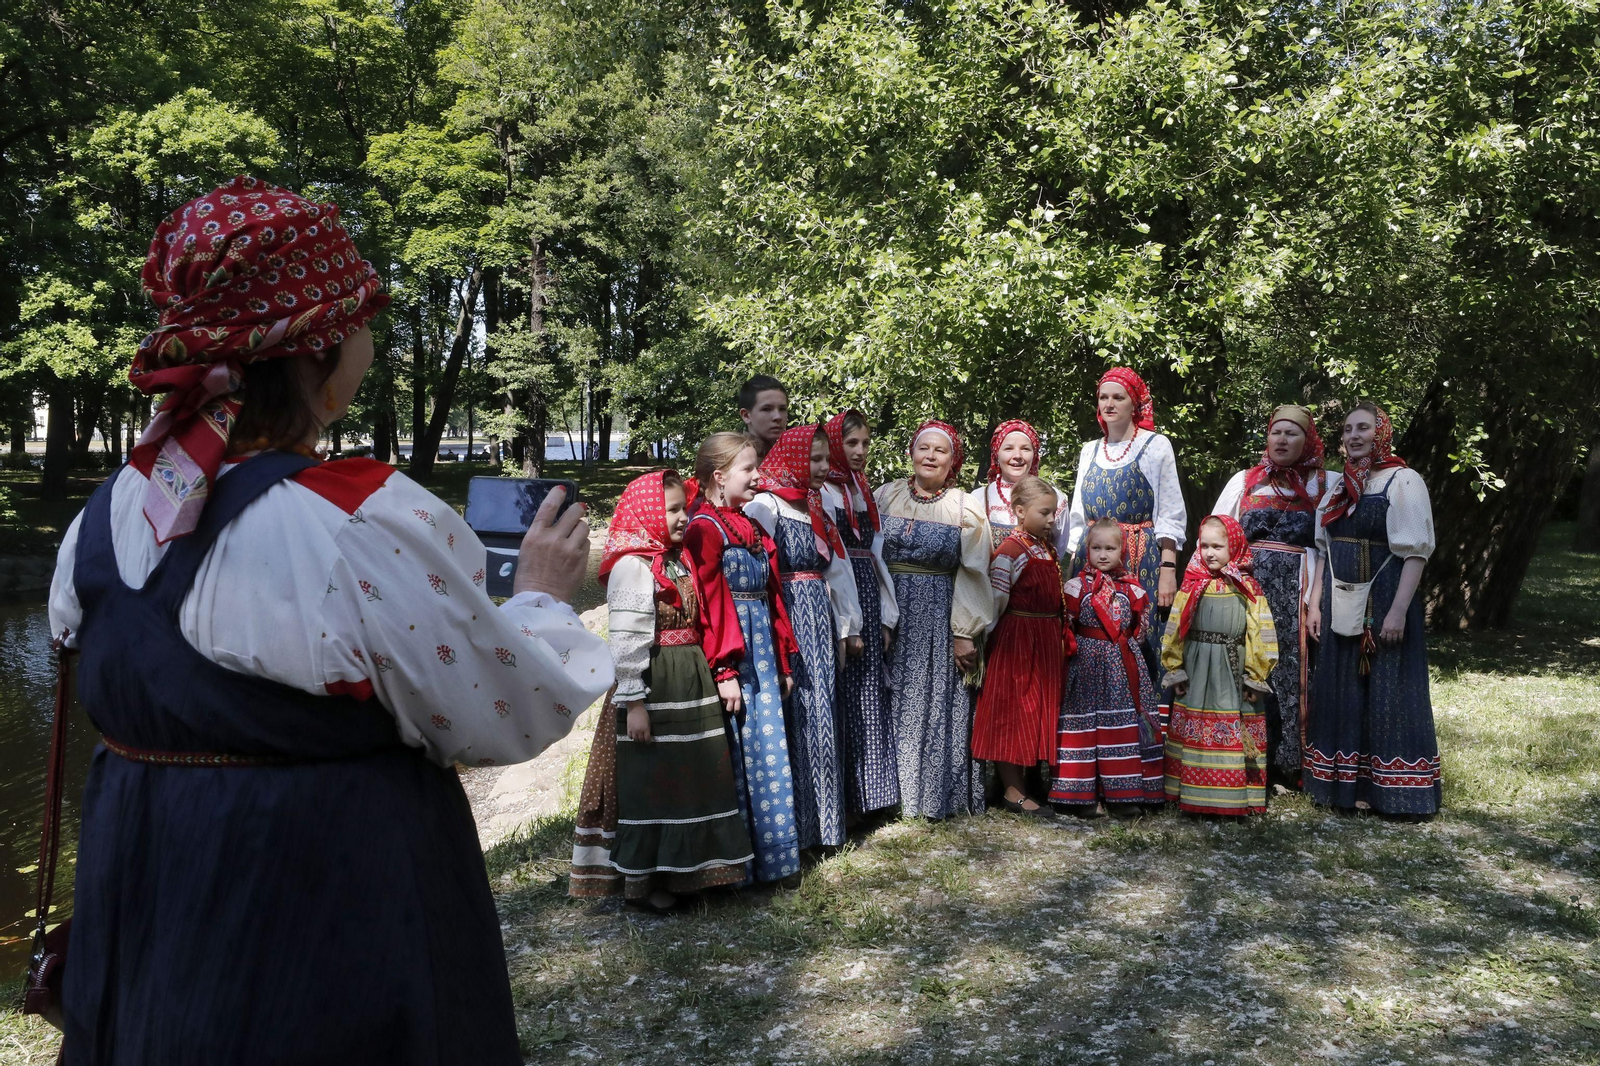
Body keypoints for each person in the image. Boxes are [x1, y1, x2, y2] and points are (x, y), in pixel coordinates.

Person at [46, 177, 613, 1063]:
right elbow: (503, 710)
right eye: (362, 318)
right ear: (317, 352)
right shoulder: (352, 522)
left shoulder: (103, 515)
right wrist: (539, 596)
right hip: (323, 912)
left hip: (148, 893)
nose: (370, 340)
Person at [569, 471, 752, 908]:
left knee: (691, 774)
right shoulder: (634, 565)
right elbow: (628, 638)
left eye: (683, 508)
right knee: (654, 781)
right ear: (649, 512)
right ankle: (651, 882)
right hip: (654, 680)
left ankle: (694, 874)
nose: (682, 517)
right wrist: (633, 703)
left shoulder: (675, 558)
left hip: (688, 675)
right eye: (671, 510)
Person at [1305, 403, 1441, 816]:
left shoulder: (1404, 481)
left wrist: (1398, 611)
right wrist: (1314, 603)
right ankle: (1339, 787)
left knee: (1385, 688)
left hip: (1383, 600)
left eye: (1363, 428)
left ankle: (1389, 790)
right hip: (1337, 599)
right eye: (1347, 429)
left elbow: (1415, 553)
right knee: (1341, 687)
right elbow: (1323, 550)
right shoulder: (1338, 486)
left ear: (1382, 432)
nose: (1353, 436)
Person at [684, 432, 803, 882]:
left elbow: (772, 598)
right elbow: (710, 603)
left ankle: (773, 859)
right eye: (748, 469)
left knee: (766, 751)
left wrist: (785, 658)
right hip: (733, 654)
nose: (758, 477)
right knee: (738, 753)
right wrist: (723, 668)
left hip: (764, 657)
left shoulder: (749, 526)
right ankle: (737, 866)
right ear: (719, 476)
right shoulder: (703, 529)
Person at [748, 425, 862, 850]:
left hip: (819, 614)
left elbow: (837, 567)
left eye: (823, 459)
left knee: (822, 712)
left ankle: (826, 828)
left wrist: (849, 625)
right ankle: (794, 830)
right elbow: (760, 566)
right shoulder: (767, 504)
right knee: (796, 712)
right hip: (788, 613)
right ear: (794, 458)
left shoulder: (815, 504)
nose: (821, 467)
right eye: (813, 460)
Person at [875, 421, 994, 819]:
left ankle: (930, 796)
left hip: (940, 609)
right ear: (911, 453)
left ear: (952, 460)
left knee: (936, 699)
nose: (929, 456)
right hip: (888, 608)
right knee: (887, 697)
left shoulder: (965, 506)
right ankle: (886, 796)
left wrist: (964, 633)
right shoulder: (884, 495)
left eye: (939, 451)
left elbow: (974, 572)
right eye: (923, 448)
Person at [1213, 404, 1326, 787]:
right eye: (1276, 432)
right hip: (1248, 589)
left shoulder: (1326, 484)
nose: (1282, 439)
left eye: (1292, 433)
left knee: (1293, 672)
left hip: (1298, 591)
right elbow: (1218, 532)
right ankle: (1247, 760)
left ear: (1307, 439)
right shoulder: (1245, 481)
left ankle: (1292, 763)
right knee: (1247, 667)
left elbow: (1328, 547)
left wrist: (1316, 598)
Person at [1160, 515, 1279, 815]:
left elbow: (1261, 633)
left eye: (1217, 546)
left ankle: (1232, 795)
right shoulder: (1191, 586)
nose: (1210, 552)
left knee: (1233, 725)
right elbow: (1174, 629)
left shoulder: (1247, 587)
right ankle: (1191, 794)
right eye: (1204, 546)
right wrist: (1175, 669)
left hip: (1232, 668)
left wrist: (1256, 676)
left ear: (1235, 547)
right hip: (1197, 669)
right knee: (1194, 726)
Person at [1050, 518, 1166, 813]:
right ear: (1086, 549)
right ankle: (1078, 795)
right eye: (1096, 548)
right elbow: (1068, 625)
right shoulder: (1075, 587)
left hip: (1121, 667)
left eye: (1110, 548)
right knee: (1085, 723)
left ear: (1122, 551)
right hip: (1085, 665)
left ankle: (1125, 794)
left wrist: (1126, 647)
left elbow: (1140, 630)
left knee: (1120, 721)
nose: (1103, 555)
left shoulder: (1133, 590)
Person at [821, 410, 901, 820]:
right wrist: (847, 622)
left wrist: (886, 615)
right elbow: (833, 560)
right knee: (847, 693)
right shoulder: (826, 493)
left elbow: (878, 553)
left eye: (866, 443)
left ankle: (876, 795)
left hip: (868, 587)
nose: (860, 451)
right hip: (843, 594)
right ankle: (851, 798)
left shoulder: (862, 489)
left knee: (870, 692)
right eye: (851, 443)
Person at [1059, 368, 1187, 619]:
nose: (1109, 404)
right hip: (1092, 558)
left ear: (1134, 404)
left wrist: (1168, 570)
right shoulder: (1090, 450)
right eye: (1103, 397)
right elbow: (1078, 516)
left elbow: (1171, 513)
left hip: (1141, 560)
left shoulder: (1155, 445)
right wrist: (1070, 568)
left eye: (1118, 397)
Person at [971, 476, 1063, 819]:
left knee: (1038, 710)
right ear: (1020, 511)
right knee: (1015, 712)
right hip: (1019, 642)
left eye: (1054, 512)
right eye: (1045, 512)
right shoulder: (1011, 551)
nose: (1053, 519)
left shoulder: (1044, 547)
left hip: (1045, 641)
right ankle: (1012, 790)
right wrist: (990, 646)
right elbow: (995, 602)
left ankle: (1030, 782)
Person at [968, 419, 1058, 551]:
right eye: (1008, 448)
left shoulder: (1054, 498)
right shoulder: (979, 497)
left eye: (1025, 449)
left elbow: (1059, 549)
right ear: (997, 454)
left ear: (1035, 455)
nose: (1017, 455)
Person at [737, 375, 790, 457]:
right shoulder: (733, 459)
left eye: (782, 409)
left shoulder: (790, 454)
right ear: (746, 415)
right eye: (766, 409)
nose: (778, 417)